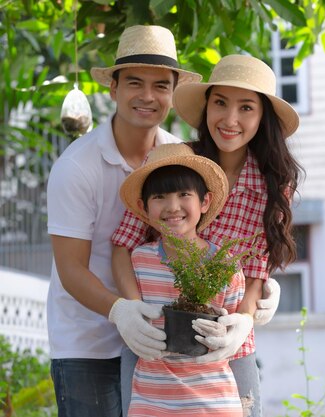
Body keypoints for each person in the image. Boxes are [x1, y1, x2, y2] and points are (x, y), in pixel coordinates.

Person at [111, 54, 302, 417]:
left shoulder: (273, 184)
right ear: (206, 107)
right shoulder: (176, 162)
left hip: (226, 349)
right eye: (220, 103)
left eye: (246, 107)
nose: (230, 120)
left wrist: (244, 319)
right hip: (154, 348)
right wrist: (132, 311)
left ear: (263, 118)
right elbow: (124, 243)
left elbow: (255, 269)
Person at [46, 25, 203, 417]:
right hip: (88, 344)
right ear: (113, 89)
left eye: (160, 86)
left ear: (172, 94)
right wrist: (121, 311)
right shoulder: (76, 167)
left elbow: (200, 235)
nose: (147, 97)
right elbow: (70, 268)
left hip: (163, 340)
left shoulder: (178, 155)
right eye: (135, 83)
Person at [119, 143, 245, 416]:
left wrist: (223, 334)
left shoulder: (225, 265)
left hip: (213, 401)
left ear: (205, 201)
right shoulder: (139, 261)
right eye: (160, 197)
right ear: (144, 207)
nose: (172, 207)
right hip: (151, 401)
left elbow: (234, 330)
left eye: (184, 194)